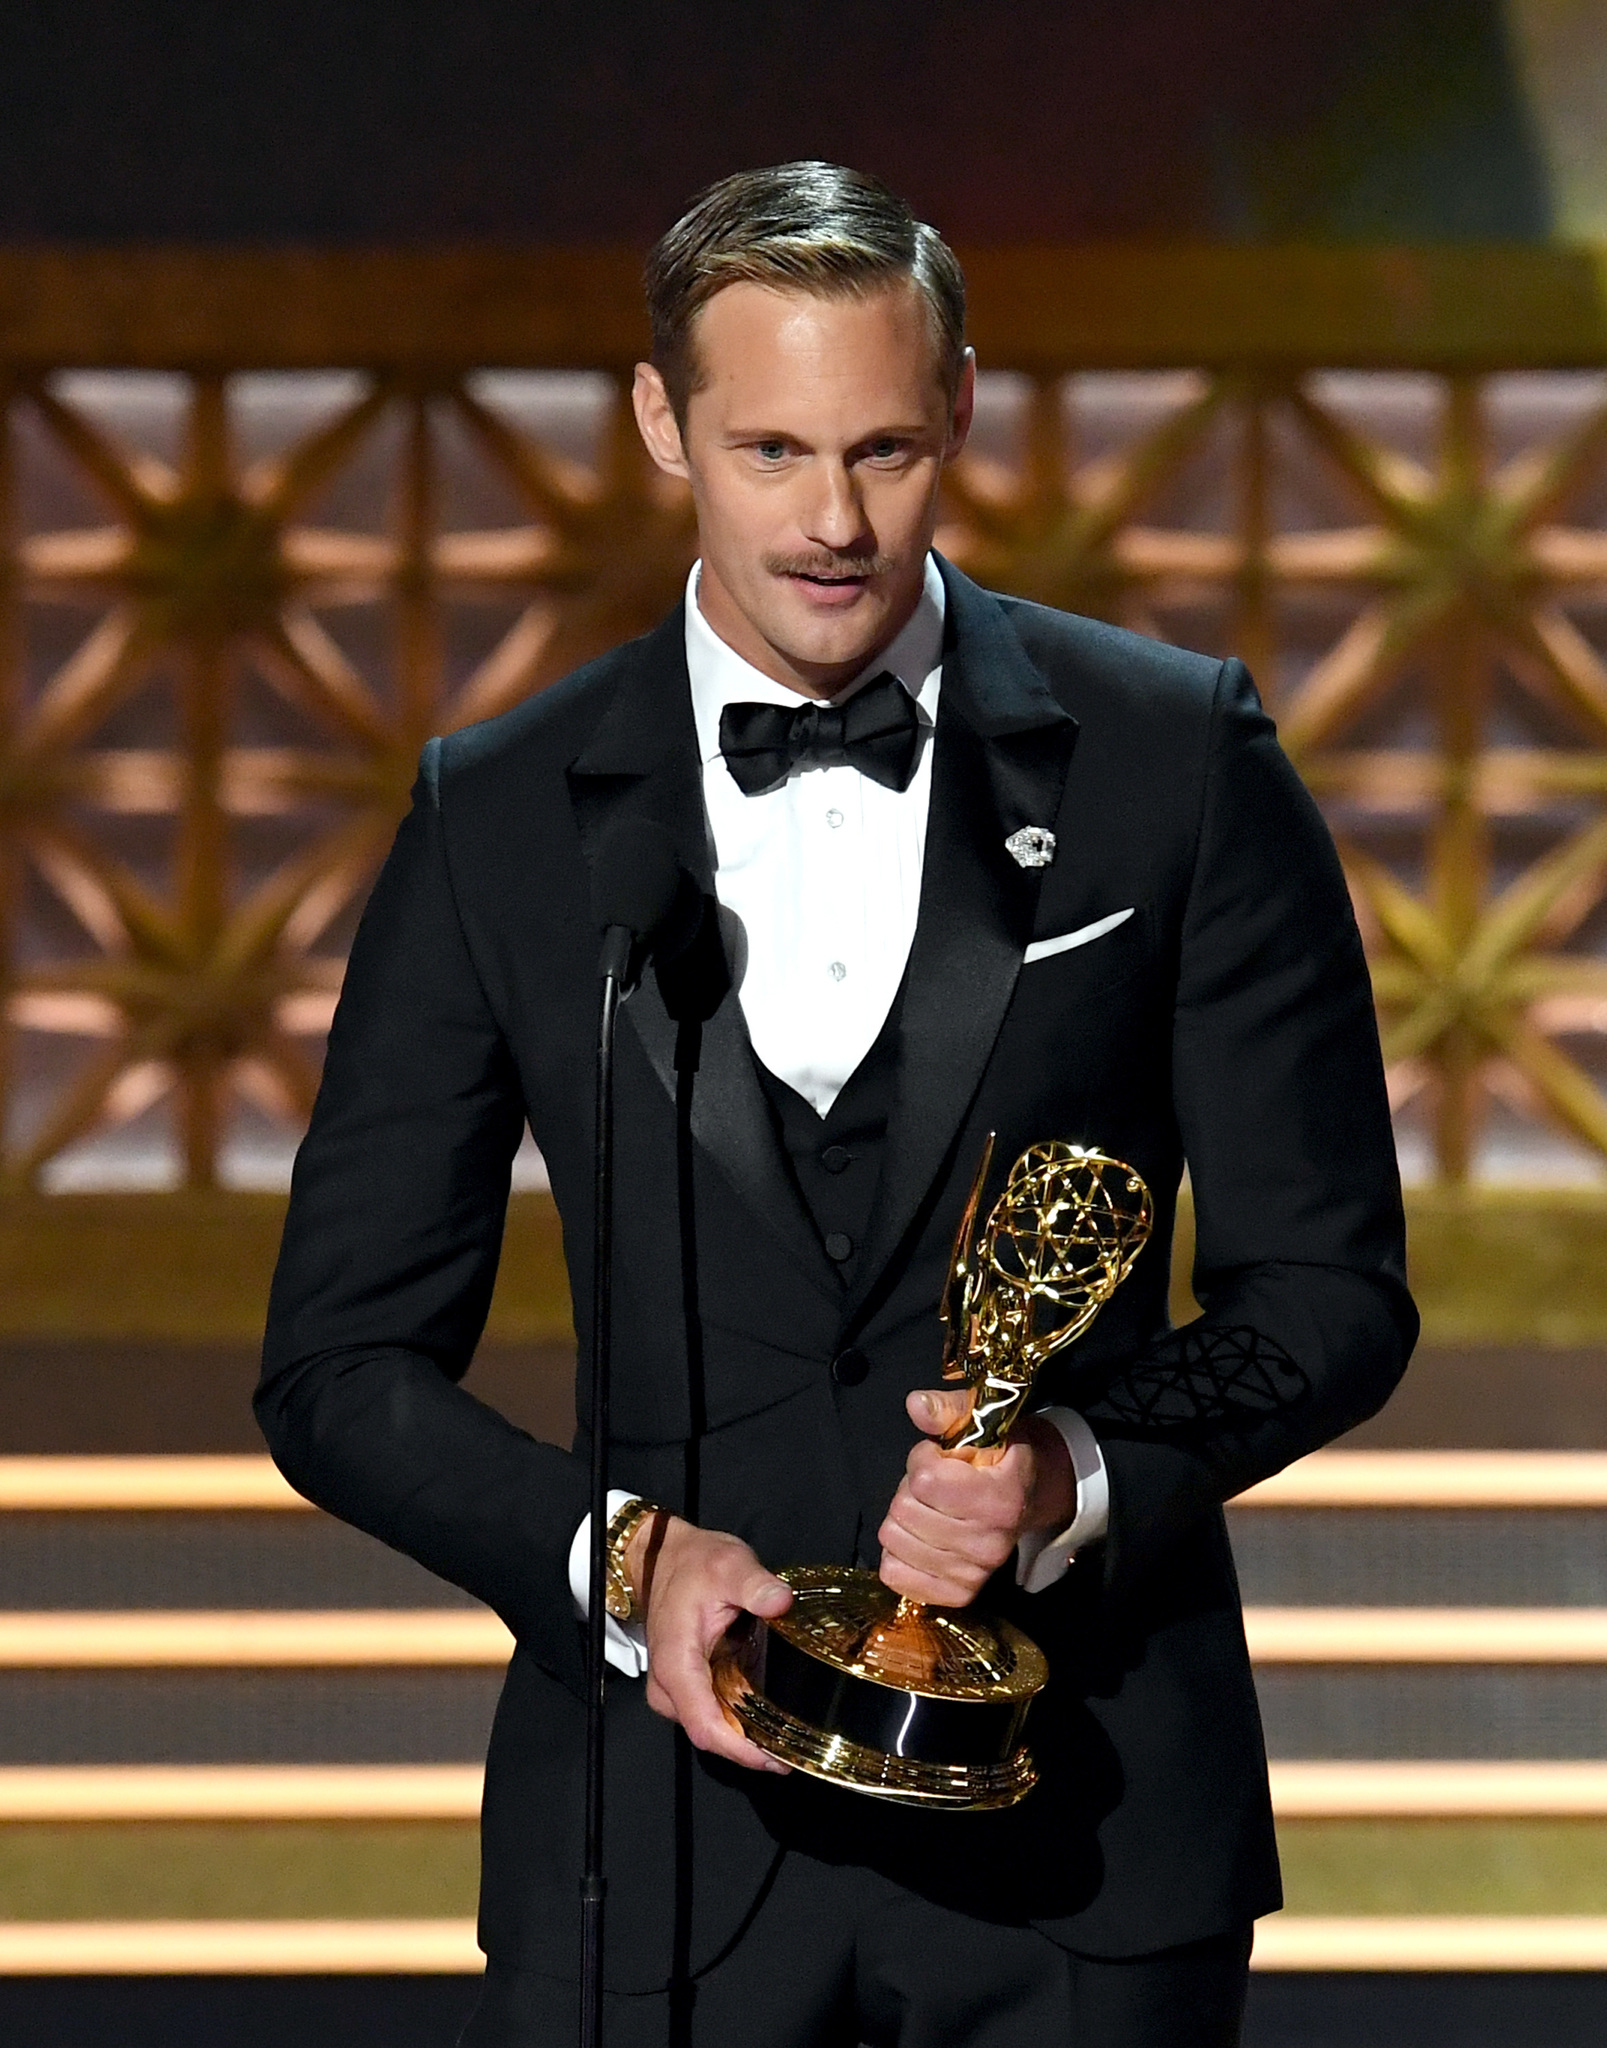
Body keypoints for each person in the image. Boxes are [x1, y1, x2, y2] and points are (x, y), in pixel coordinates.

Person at [257, 162, 1416, 2047]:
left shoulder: (1174, 760)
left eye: (882, 449)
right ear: (661, 424)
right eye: (773, 450)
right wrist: (623, 1564)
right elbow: (338, 1363)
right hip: (651, 1851)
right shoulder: (501, 813)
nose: (831, 523)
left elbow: (1331, 1295)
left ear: (958, 407)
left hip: (1091, 1842)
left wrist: (1074, 1477)